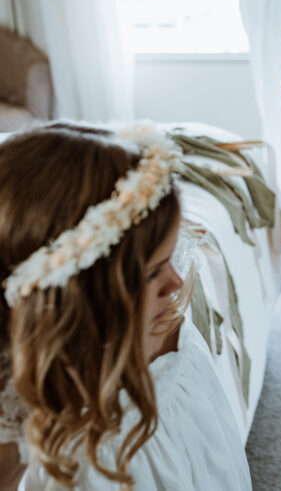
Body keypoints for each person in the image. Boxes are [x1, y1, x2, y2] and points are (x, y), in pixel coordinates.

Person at [0, 123, 251, 490]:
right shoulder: (79, 464)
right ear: (75, 298)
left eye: (170, 258)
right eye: (152, 273)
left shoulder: (166, 327)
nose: (177, 283)